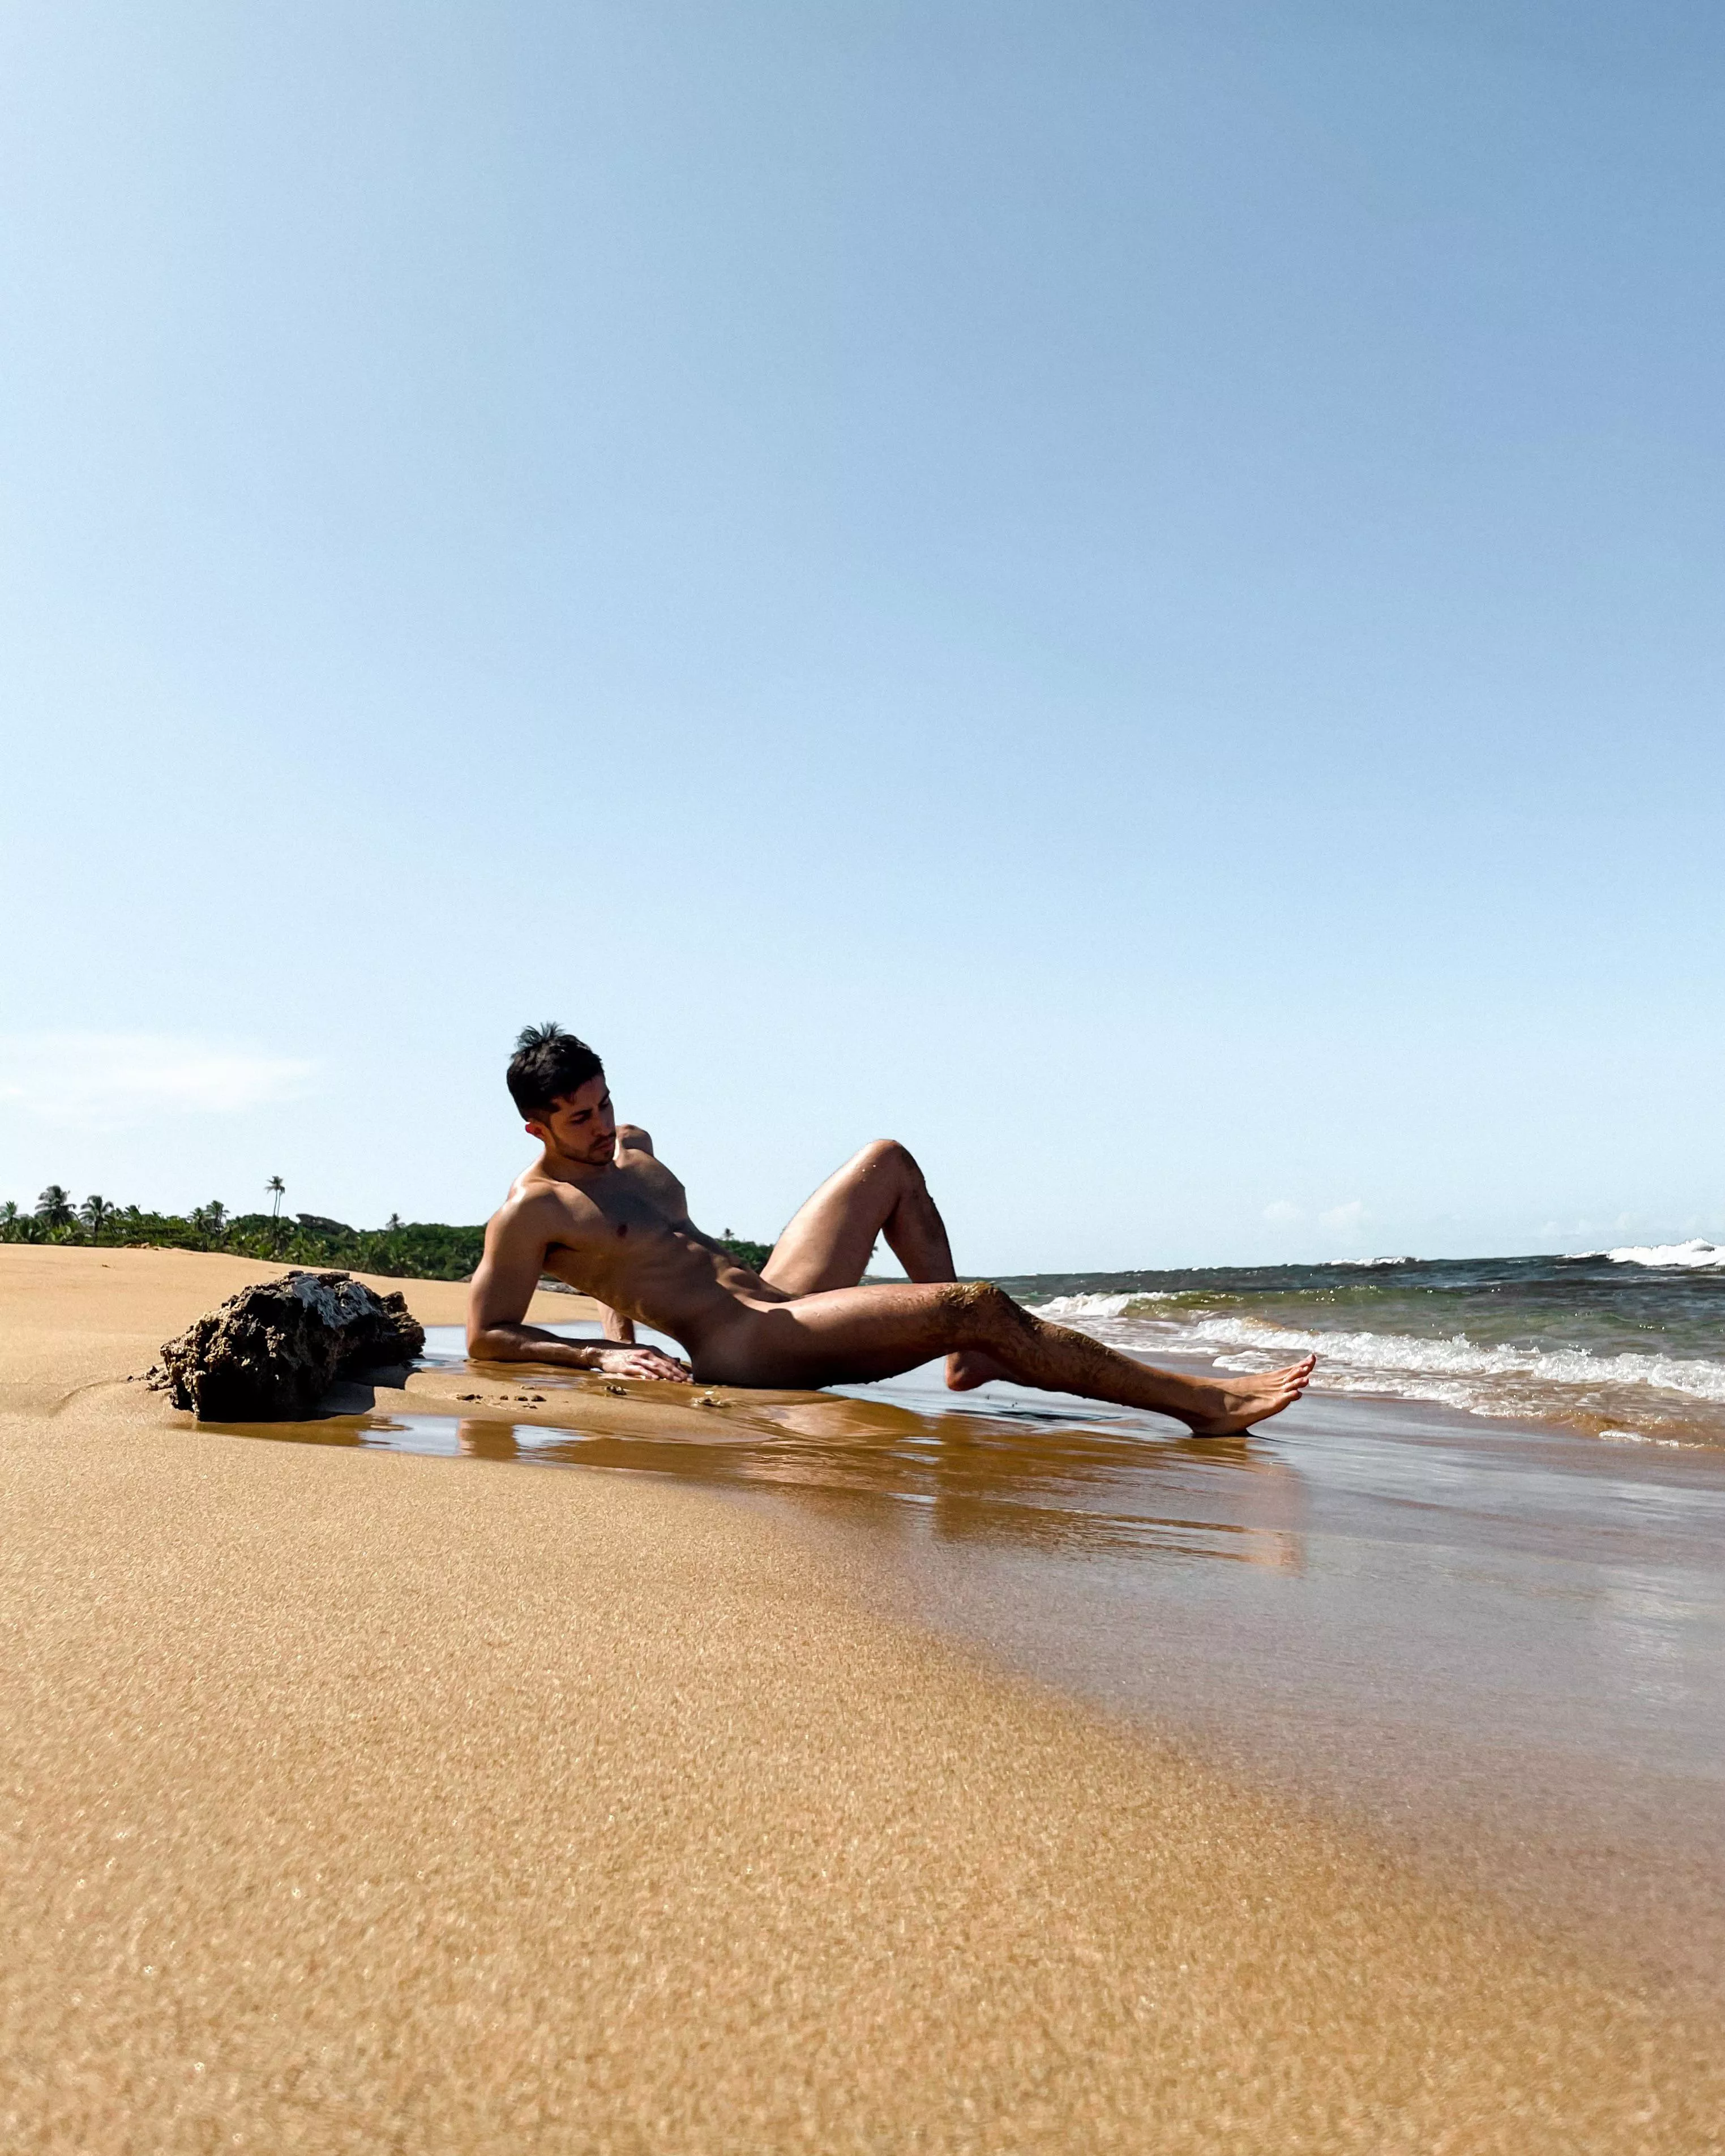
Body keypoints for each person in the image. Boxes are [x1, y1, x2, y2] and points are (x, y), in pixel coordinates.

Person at [467, 1025, 1316, 1436]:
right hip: (747, 1348)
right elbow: (487, 1336)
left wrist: (622, 1324)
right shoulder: (533, 1210)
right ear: (537, 1127)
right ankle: (1202, 1404)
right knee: (976, 1302)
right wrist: (600, 1355)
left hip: (773, 1298)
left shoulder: (633, 1148)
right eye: (579, 1119)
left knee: (886, 1160)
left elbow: (627, 1257)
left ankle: (967, 1356)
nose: (602, 1125)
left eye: (605, 1102)